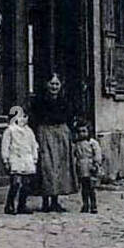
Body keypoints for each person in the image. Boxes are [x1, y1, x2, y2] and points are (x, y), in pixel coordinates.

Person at [29, 73, 76, 212]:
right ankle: (45, 201)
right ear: (46, 85)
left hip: (61, 134)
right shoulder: (40, 101)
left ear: (60, 86)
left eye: (57, 84)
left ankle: (55, 201)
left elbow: (69, 116)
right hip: (45, 133)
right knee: (47, 166)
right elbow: (36, 117)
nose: (54, 87)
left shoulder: (64, 101)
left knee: (60, 167)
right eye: (52, 83)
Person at [0, 105, 37, 215]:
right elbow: (5, 146)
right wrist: (5, 160)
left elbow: (33, 145)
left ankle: (22, 205)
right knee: (15, 182)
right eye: (20, 117)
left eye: (25, 116)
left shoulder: (29, 131)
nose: (23, 119)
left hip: (27, 159)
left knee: (27, 183)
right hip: (15, 158)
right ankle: (9, 205)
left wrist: (34, 158)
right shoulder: (10, 131)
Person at [71, 119, 104, 213]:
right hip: (81, 167)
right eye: (79, 131)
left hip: (90, 166)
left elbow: (97, 153)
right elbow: (74, 155)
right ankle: (85, 204)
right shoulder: (76, 144)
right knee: (84, 188)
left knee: (91, 188)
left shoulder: (92, 143)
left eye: (84, 131)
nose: (82, 134)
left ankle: (93, 205)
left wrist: (96, 163)